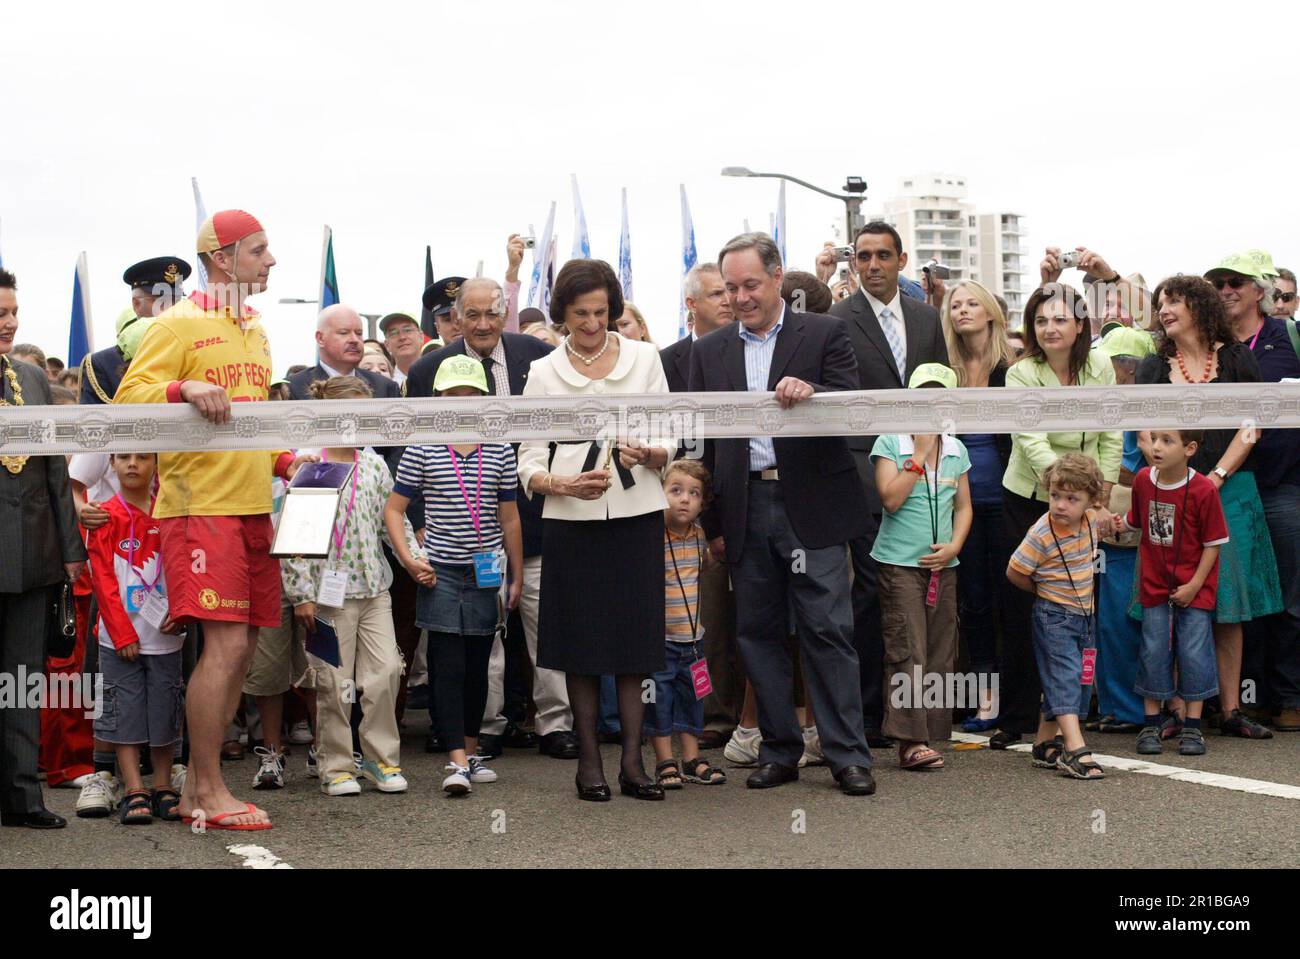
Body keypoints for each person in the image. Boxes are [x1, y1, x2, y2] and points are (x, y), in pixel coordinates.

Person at [115, 209, 315, 830]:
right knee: (226, 645)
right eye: (260, 250)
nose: (272, 261)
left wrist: (285, 460)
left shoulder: (255, 328)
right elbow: (127, 400)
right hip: (199, 508)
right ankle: (201, 788)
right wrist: (182, 391)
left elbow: (250, 418)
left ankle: (206, 785)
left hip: (253, 504)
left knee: (247, 645)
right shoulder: (176, 324)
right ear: (223, 258)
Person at [690, 232, 875, 796]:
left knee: (827, 630)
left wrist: (812, 390)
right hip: (745, 505)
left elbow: (852, 408)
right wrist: (715, 526)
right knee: (757, 634)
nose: (741, 297)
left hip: (809, 508)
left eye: (750, 284)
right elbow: (704, 444)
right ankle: (778, 751)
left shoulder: (825, 332)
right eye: (730, 288)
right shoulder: (709, 350)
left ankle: (848, 756)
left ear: (777, 278)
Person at [518, 258, 677, 801]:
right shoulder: (542, 372)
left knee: (634, 643)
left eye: (602, 312)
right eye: (581, 314)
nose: (592, 323)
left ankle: (634, 763)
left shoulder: (645, 357)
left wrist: (651, 451)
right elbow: (528, 458)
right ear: (562, 314)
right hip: (571, 522)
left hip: (637, 515)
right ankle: (589, 762)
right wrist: (561, 486)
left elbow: (669, 436)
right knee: (581, 645)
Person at [406, 277, 577, 759]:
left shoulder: (539, 356)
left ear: (505, 314)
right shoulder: (428, 371)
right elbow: (412, 451)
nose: (482, 325)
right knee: (480, 639)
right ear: (455, 319)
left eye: (491, 314)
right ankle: (483, 728)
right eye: (472, 315)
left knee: (546, 628)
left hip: (537, 517)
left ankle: (555, 724)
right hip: (461, 533)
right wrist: (421, 520)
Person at [1137, 274, 1282, 739]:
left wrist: (1214, 477)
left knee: (1228, 603)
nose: (1164, 309)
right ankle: (1178, 711)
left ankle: (1230, 708)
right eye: (1161, 302)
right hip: (1169, 491)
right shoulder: (1152, 365)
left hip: (1231, 489)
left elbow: (1251, 425)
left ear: (1199, 306)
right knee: (1176, 598)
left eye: (1175, 300)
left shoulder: (1238, 357)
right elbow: (1143, 433)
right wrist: (1180, 479)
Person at [828, 221, 948, 750]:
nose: (872, 265)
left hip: (924, 476)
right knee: (870, 595)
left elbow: (939, 391)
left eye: (882, 255)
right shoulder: (836, 319)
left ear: (902, 260)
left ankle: (916, 718)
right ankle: (869, 715)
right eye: (863, 256)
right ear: (853, 263)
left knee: (921, 594)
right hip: (862, 475)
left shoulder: (926, 317)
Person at [992, 277, 1121, 751]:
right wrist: (1067, 490)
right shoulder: (1020, 372)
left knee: (1076, 608)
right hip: (1031, 496)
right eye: (1041, 320)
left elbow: (1111, 431)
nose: (1050, 327)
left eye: (1060, 319)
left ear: (1080, 324)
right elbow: (1030, 441)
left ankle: (1067, 712)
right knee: (1023, 607)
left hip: (1088, 499)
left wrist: (1099, 497)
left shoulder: (1102, 364)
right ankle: (1017, 716)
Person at [388, 356, 523, 795]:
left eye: (471, 395)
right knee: (447, 666)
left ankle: (471, 749)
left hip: (485, 571)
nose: (463, 403)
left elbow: (510, 518)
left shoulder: (500, 447)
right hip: (440, 571)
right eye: (453, 396)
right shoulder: (423, 446)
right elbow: (394, 509)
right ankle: (456, 760)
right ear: (439, 400)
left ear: (483, 400)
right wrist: (410, 558)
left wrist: (515, 574)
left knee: (479, 667)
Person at [284, 376, 419, 796]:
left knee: (385, 674)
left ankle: (381, 761)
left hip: (375, 588)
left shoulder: (374, 463)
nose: (355, 422)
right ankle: (336, 765)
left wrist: (413, 557)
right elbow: (296, 535)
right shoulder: (313, 465)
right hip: (327, 596)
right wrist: (301, 594)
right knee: (333, 683)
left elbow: (391, 519)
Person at [0, 268, 87, 829]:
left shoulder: (31, 379)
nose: (8, 325)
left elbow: (55, 469)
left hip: (33, 554)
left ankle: (21, 796)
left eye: (12, 314)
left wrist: (71, 550)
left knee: (22, 678)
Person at [1205, 254, 1300, 733]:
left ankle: (1286, 697)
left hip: (1280, 483)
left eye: (1235, 282)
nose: (1225, 289)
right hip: (1229, 483)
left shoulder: (1289, 337)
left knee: (1284, 595)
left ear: (1258, 290)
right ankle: (1244, 696)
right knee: (1234, 595)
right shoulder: (1208, 344)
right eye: (1217, 282)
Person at [872, 363, 972, 769]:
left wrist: (954, 546)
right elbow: (889, 499)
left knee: (939, 650)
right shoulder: (889, 443)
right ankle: (909, 740)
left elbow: (964, 507)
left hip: (942, 566)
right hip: (899, 565)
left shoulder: (956, 449)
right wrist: (918, 455)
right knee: (906, 649)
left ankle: (929, 731)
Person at [1108, 430, 1227, 757]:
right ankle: (1151, 722)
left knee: (1194, 652)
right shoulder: (1145, 480)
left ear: (1189, 449)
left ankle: (1193, 727)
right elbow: (1138, 519)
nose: (1157, 447)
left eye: (1167, 441)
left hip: (1194, 589)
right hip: (1155, 585)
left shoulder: (1203, 489)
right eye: (1154, 439)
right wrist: (1122, 525)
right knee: (1153, 650)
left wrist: (1194, 586)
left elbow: (1213, 544)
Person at [86, 452, 187, 823]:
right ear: (111, 464)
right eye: (124, 458)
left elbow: (183, 567)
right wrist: (121, 630)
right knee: (123, 712)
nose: (133, 464)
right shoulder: (105, 516)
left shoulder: (171, 511)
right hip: (119, 639)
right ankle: (133, 787)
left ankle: (162, 783)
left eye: (143, 458)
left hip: (164, 635)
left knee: (165, 709)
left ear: (157, 464)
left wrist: (181, 612)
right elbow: (103, 579)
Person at [941, 279, 1016, 731]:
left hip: (1006, 497)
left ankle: (1018, 699)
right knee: (974, 604)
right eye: (955, 305)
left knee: (1011, 599)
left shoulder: (1011, 368)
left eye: (972, 304)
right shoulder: (944, 370)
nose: (963, 311)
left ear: (990, 312)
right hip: (959, 502)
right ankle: (983, 699)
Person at [1006, 453, 1107, 780]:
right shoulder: (1041, 534)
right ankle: (1074, 748)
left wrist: (1116, 523)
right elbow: (1015, 571)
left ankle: (1044, 741)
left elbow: (1105, 526)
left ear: (1091, 500)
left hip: (1084, 615)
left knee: (1078, 678)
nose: (1061, 505)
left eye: (1071, 498)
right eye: (1055, 496)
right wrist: (1043, 591)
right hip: (1054, 616)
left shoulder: (1091, 520)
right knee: (1064, 675)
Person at [1091, 325, 1156, 733]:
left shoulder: (1146, 408)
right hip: (1104, 524)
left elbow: (1146, 467)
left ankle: (1134, 710)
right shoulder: (1101, 403)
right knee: (1104, 622)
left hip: (1131, 527)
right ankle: (1113, 706)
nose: (1111, 371)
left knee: (1126, 620)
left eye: (1115, 363)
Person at [646, 459, 726, 788]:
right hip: (662, 640)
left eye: (694, 494)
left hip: (694, 641)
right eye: (675, 490)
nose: (684, 499)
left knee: (695, 697)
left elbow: (703, 566)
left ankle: (692, 759)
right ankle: (665, 760)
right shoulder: (652, 535)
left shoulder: (699, 536)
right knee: (659, 700)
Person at [81, 258, 191, 405]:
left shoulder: (195, 346)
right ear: (137, 304)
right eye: (161, 302)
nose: (172, 309)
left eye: (177, 302)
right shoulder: (104, 363)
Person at [288, 305, 401, 400]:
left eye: (358, 333)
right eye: (343, 333)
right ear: (320, 338)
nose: (354, 340)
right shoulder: (292, 388)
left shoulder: (385, 387)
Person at [379, 311, 424, 388]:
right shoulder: (383, 385)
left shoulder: (438, 376)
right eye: (393, 333)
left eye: (407, 330)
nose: (402, 337)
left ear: (421, 337)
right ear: (387, 345)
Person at [423, 276, 466, 346]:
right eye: (448, 320)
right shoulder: (433, 357)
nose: (456, 326)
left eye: (460, 317)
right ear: (437, 328)